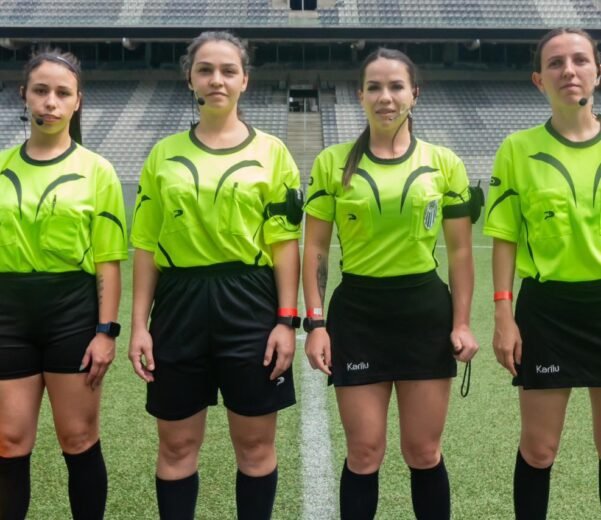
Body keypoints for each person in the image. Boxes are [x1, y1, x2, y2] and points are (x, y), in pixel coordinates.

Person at [128, 31, 302, 520]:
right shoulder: (163, 155)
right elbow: (146, 246)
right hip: (179, 304)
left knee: (255, 446)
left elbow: (284, 245)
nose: (217, 79)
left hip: (249, 302)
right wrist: (139, 325)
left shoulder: (273, 153)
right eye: (205, 69)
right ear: (190, 79)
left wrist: (285, 321)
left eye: (228, 70)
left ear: (245, 80)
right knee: (176, 446)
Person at [303, 48, 479, 519]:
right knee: (364, 452)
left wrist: (462, 323)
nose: (386, 97)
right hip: (358, 315)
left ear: (414, 94)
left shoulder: (444, 163)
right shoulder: (332, 162)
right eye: (375, 87)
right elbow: (315, 249)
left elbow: (461, 253)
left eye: (396, 86)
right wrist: (315, 324)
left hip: (424, 314)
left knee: (423, 451)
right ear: (360, 95)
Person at [0, 49, 127, 520]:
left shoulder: (98, 171)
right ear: (24, 95)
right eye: (41, 91)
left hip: (72, 314)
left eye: (62, 93)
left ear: (77, 101)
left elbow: (108, 261)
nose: (50, 102)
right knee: (8, 441)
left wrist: (106, 331)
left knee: (78, 439)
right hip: (8, 314)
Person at [484, 27, 601, 519]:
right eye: (555, 63)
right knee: (539, 449)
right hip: (547, 312)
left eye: (580, 60)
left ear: (597, 72)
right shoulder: (518, 149)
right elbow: (505, 237)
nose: (568, 70)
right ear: (538, 79)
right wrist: (503, 316)